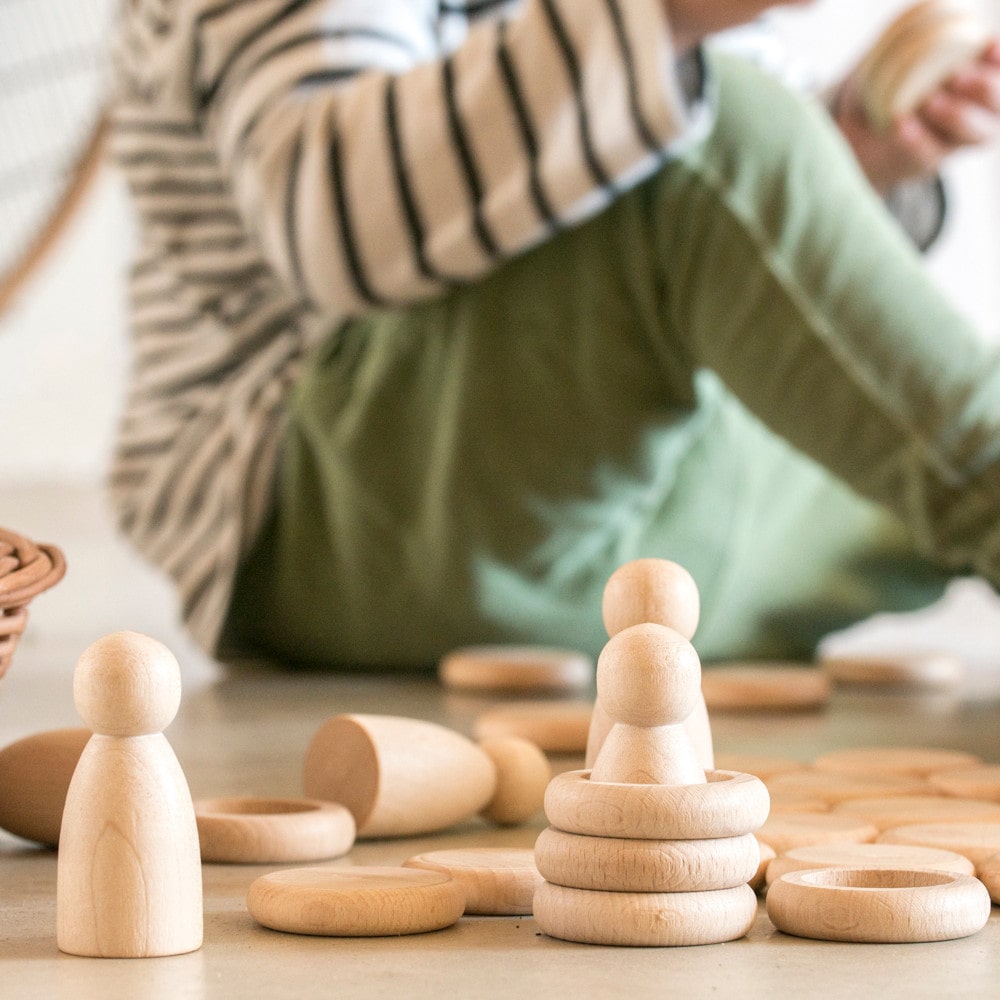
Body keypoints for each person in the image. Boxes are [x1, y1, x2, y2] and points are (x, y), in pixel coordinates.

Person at [108, 0, 1000, 671]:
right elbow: (333, 213)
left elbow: (693, 243)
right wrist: (672, 21)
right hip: (343, 511)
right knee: (718, 125)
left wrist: (836, 151)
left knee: (903, 460)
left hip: (622, 535)